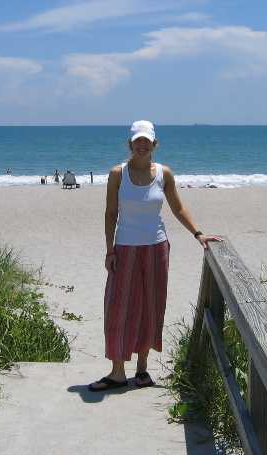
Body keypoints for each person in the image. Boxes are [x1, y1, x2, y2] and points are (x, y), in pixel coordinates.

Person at [88, 120, 222, 392]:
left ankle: (142, 370)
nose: (142, 145)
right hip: (125, 247)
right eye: (137, 141)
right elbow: (110, 213)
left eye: (146, 141)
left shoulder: (164, 173)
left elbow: (178, 208)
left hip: (157, 247)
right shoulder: (117, 174)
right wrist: (109, 250)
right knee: (117, 307)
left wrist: (198, 234)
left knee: (151, 307)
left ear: (154, 144)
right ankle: (117, 372)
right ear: (130, 144)